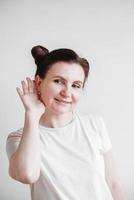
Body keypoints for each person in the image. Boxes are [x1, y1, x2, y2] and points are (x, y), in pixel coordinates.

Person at [6, 45, 126, 200]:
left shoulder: (95, 124)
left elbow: (113, 184)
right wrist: (31, 114)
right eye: (58, 81)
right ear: (38, 83)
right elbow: (27, 175)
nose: (67, 93)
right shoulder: (19, 138)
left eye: (76, 85)